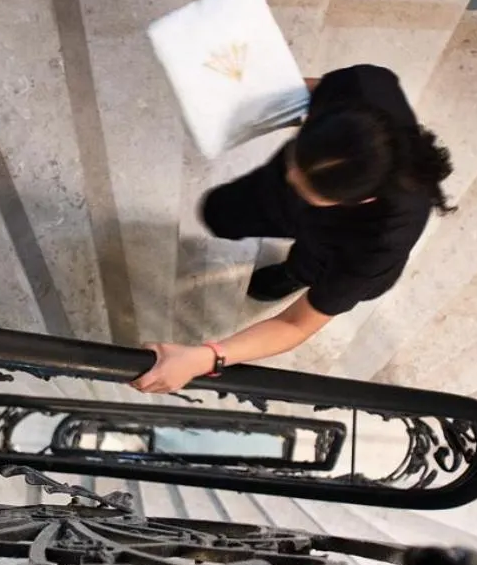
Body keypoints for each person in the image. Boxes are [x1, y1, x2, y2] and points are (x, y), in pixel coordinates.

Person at [132, 64, 453, 394]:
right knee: (221, 213)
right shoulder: (365, 86)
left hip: (338, 248)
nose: (291, 178)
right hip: (304, 210)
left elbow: (295, 324)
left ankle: (296, 273)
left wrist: (205, 358)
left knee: (311, 264)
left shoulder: (382, 241)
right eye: (295, 163)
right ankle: (296, 254)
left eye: (306, 187)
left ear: (362, 200)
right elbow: (312, 90)